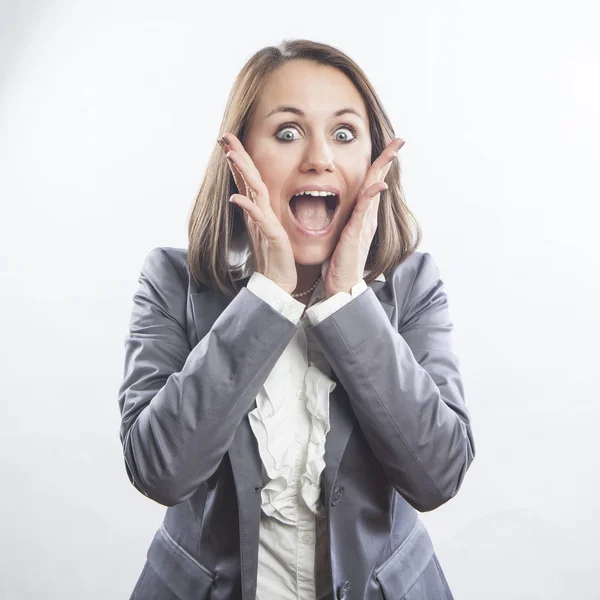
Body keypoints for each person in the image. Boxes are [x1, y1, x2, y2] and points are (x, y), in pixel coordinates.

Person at [118, 38, 475, 600]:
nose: (319, 158)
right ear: (241, 158)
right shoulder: (171, 281)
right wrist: (268, 297)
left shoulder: (414, 285)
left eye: (344, 134)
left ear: (372, 160)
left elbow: (437, 475)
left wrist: (347, 303)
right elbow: (161, 469)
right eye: (287, 132)